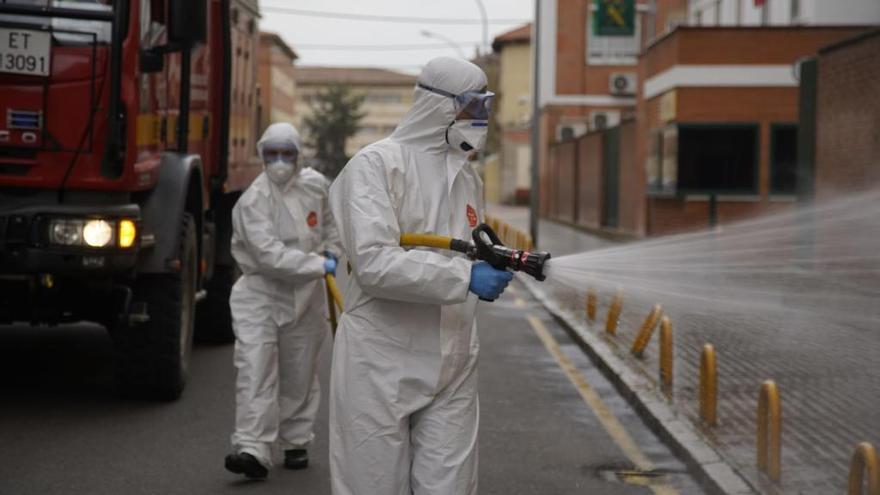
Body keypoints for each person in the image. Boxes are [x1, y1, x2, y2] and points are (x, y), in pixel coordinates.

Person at [328, 57, 513, 494]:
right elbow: (374, 264)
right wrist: (464, 280)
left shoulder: (467, 178)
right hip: (381, 361)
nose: (480, 118)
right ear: (439, 106)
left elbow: (469, 247)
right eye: (473, 106)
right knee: (371, 485)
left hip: (453, 360)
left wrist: (491, 264)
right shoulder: (376, 166)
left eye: (485, 106)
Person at [224, 123, 341, 480]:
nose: (279, 161)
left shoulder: (316, 186)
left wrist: (334, 249)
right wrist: (319, 264)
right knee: (255, 369)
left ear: (298, 155)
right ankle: (252, 448)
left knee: (300, 371)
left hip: (307, 296)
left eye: (286, 153)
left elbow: (332, 225)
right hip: (261, 294)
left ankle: (296, 442)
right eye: (271, 153)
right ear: (261, 156)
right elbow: (268, 256)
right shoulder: (253, 201)